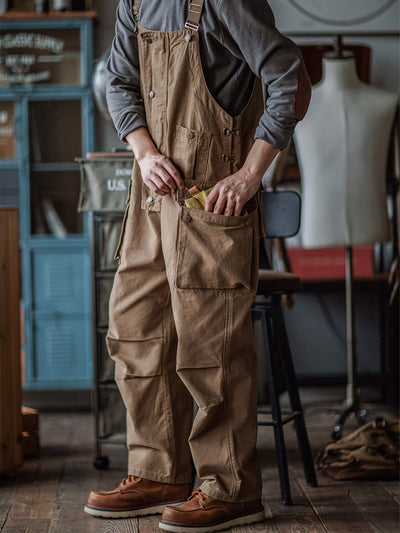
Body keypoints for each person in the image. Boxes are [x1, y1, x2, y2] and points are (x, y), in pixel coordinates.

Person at [85, 1, 311, 531]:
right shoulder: (135, 3)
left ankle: (230, 488)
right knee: (136, 331)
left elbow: (291, 79)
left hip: (212, 198)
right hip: (151, 195)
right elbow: (120, 81)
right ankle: (158, 473)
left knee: (210, 345)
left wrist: (251, 174)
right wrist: (142, 151)